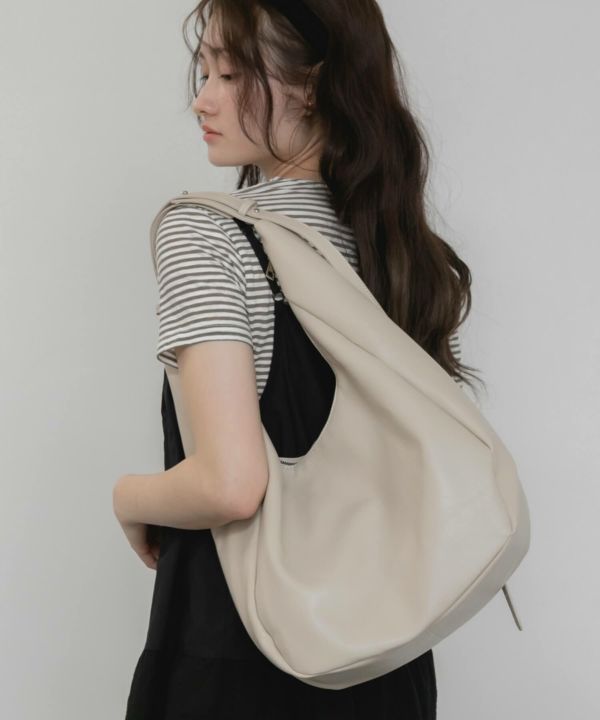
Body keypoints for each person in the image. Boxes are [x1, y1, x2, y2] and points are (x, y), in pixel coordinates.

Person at [117, 1, 481, 717]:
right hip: (387, 669)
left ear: (310, 87)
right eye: (204, 71)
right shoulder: (402, 255)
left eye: (229, 74)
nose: (203, 98)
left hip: (240, 667)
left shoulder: (208, 235)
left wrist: (127, 498)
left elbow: (231, 485)